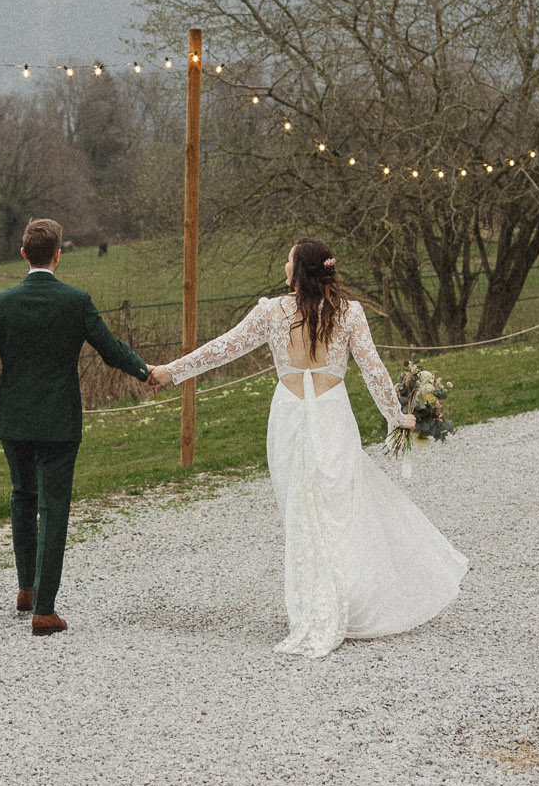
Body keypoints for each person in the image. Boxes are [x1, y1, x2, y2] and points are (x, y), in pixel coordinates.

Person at [145, 238, 468, 658]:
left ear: (299, 269)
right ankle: (340, 602)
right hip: (331, 413)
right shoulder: (349, 313)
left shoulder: (273, 311)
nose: (284, 265)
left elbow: (222, 348)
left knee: (301, 509)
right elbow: (373, 370)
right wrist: (397, 415)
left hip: (291, 414)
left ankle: (315, 607)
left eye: (289, 259)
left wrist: (170, 372)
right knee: (337, 508)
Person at [0, 216, 151, 635]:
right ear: (59, 255)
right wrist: (144, 371)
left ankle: (26, 588)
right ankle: (44, 610)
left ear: (24, 253)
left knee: (22, 497)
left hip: (13, 419)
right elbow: (109, 348)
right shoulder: (76, 300)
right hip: (60, 421)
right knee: (54, 509)